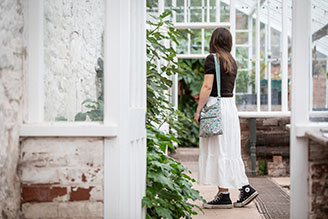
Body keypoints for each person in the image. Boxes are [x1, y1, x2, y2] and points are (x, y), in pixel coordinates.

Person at [194, 27, 258, 209]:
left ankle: (240, 189)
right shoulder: (231, 61)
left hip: (216, 107)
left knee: (219, 149)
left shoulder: (212, 59)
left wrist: (199, 110)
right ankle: (227, 193)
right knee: (227, 150)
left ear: (213, 40)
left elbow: (207, 87)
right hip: (230, 108)